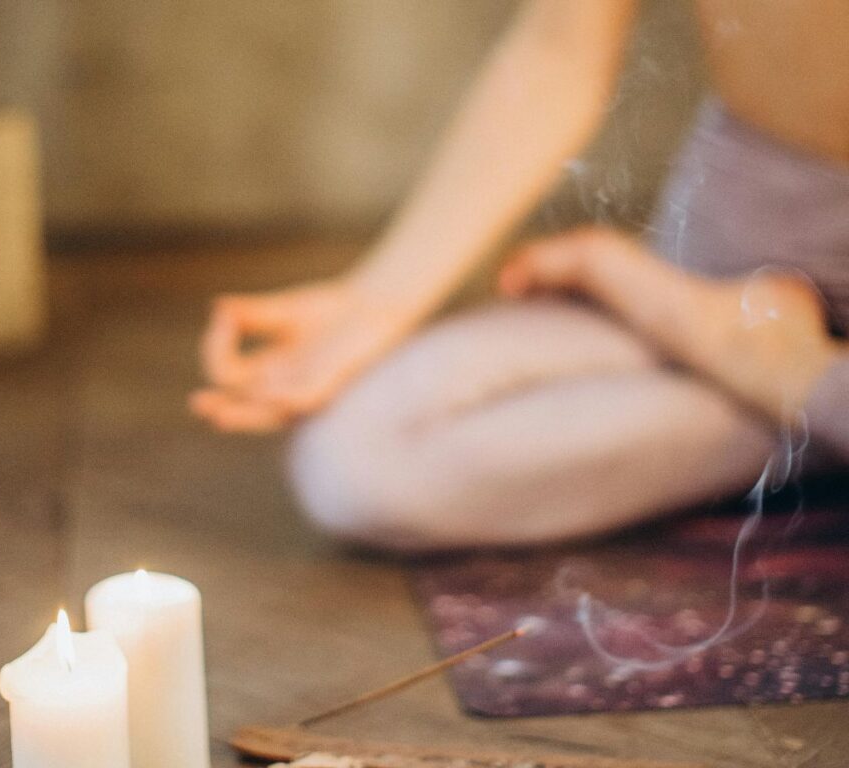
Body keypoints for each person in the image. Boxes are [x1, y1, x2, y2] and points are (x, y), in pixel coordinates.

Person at [191, 0, 849, 550]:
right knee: (358, 458)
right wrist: (377, 300)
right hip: (712, 275)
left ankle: (798, 394)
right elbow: (559, 49)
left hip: (774, 336)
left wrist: (798, 375)